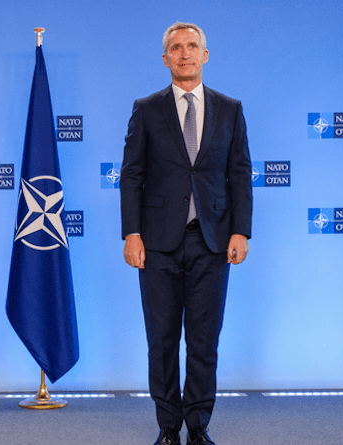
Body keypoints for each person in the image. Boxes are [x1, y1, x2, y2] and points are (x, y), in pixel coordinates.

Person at [120, 22, 252, 445]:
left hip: (212, 242)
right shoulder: (147, 108)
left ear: (205, 55)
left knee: (203, 342)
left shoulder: (230, 109)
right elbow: (131, 175)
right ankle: (168, 428)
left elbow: (240, 174)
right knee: (160, 342)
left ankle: (198, 426)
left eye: (192, 46)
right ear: (165, 59)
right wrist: (131, 233)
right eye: (175, 48)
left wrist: (241, 232)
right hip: (156, 245)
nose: (184, 54)